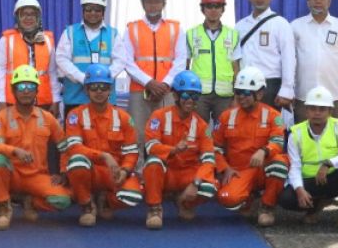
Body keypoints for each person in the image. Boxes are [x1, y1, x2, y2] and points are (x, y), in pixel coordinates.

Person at [0, 65, 73, 231]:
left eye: (31, 87)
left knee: (63, 201)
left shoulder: (47, 118)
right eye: (21, 87)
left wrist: (63, 171)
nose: (26, 91)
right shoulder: (1, 117)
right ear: (13, 90)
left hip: (37, 176)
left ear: (37, 91)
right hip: (12, 174)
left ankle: (31, 201)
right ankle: (3, 207)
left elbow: (65, 147)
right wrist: (14, 151)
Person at [63, 64, 143, 226]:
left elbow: (131, 152)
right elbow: (74, 148)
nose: (99, 91)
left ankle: (106, 200)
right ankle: (87, 205)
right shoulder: (75, 115)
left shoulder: (123, 117)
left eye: (103, 87)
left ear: (110, 90)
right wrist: (103, 156)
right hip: (89, 170)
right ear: (86, 90)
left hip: (113, 173)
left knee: (134, 196)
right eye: (94, 87)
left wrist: (126, 170)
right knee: (76, 162)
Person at [212, 66, 288, 227]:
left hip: (263, 166)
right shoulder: (226, 116)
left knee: (279, 165)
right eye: (238, 92)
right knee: (227, 199)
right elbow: (215, 147)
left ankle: (267, 207)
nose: (241, 97)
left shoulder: (273, 116)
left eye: (247, 93)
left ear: (259, 94)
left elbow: (278, 142)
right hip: (239, 171)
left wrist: (264, 150)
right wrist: (224, 168)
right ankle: (249, 197)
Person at [142, 70, 218, 230]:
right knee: (153, 162)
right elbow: (150, 147)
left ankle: (184, 202)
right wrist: (173, 150)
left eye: (195, 96)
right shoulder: (159, 116)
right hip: (166, 172)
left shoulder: (202, 126)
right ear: (175, 96)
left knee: (209, 187)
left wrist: (196, 183)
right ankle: (154, 208)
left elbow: (209, 159)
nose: (190, 100)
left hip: (187, 174)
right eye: (185, 95)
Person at [280, 85, 338, 229]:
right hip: (309, 181)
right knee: (286, 199)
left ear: (330, 111)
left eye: (322, 109)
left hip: (332, 178)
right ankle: (315, 206)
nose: (317, 113)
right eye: (313, 108)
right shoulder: (296, 133)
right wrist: (300, 190)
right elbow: (295, 166)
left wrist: (329, 163)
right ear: (306, 111)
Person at [117, 0, 183, 148]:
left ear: (164, 3)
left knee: (167, 133)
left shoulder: (176, 28)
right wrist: (149, 82)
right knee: (137, 134)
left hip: (166, 92)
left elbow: (182, 59)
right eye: (149, 1)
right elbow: (127, 60)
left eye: (157, 1)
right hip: (140, 91)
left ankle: (164, 170)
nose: (153, 5)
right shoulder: (132, 28)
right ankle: (138, 171)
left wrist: (165, 84)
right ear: (142, 4)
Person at [292, 0, 338, 125]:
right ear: (307, 0)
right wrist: (290, 91)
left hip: (334, 97)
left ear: (329, 0)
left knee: (334, 141)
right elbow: (290, 62)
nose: (318, 1)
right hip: (303, 96)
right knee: (303, 140)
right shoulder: (295, 26)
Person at [234, 0, 295, 120]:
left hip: (270, 86)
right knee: (246, 125)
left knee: (269, 126)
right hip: (245, 86)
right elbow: (235, 59)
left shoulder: (281, 23)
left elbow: (289, 58)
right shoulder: (240, 26)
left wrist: (286, 89)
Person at [57, 0, 123, 113]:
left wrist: (102, 80)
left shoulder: (113, 34)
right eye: (89, 9)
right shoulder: (70, 32)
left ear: (103, 11)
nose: (93, 13)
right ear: (83, 10)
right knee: (74, 133)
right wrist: (83, 79)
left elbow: (120, 61)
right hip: (75, 98)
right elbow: (61, 59)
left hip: (105, 99)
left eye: (97, 9)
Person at [0, 0, 60, 116]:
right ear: (17, 17)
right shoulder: (6, 40)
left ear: (38, 17)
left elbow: (53, 73)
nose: (28, 18)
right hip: (13, 101)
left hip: (43, 101)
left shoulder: (48, 41)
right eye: (24, 14)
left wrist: (56, 100)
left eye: (32, 14)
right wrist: (0, 101)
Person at [184, 0, 241, 123]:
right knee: (197, 131)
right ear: (203, 9)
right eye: (209, 6)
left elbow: (236, 68)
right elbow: (185, 67)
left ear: (223, 9)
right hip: (198, 94)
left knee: (223, 132)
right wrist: (185, 94)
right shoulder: (191, 34)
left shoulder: (232, 35)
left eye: (217, 6)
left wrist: (236, 96)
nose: (213, 10)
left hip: (225, 95)